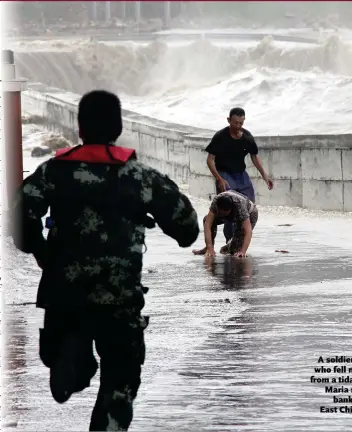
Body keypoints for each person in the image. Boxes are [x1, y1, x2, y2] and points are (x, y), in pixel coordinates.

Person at [10, 90, 199, 431]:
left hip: (63, 295)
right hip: (119, 299)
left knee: (70, 357)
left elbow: (19, 215)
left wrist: (40, 252)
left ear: (80, 127)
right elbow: (186, 229)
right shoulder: (139, 176)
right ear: (119, 126)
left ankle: (72, 360)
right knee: (120, 384)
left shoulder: (54, 171)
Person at [205, 107, 273, 245]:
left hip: (241, 175)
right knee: (230, 207)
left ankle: (239, 239)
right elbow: (210, 160)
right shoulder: (220, 136)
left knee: (249, 208)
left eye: (241, 123)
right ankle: (229, 239)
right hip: (224, 174)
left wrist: (265, 176)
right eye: (235, 123)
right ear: (229, 120)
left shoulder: (247, 137)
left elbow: (254, 157)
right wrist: (219, 178)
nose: (238, 126)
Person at [192, 190, 258, 258]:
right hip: (228, 211)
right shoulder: (216, 201)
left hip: (250, 213)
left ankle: (231, 244)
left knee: (233, 251)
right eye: (219, 213)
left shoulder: (240, 206)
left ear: (230, 210)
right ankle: (208, 249)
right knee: (206, 219)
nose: (221, 215)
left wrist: (243, 251)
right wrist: (209, 247)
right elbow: (208, 224)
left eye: (223, 213)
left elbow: (248, 231)